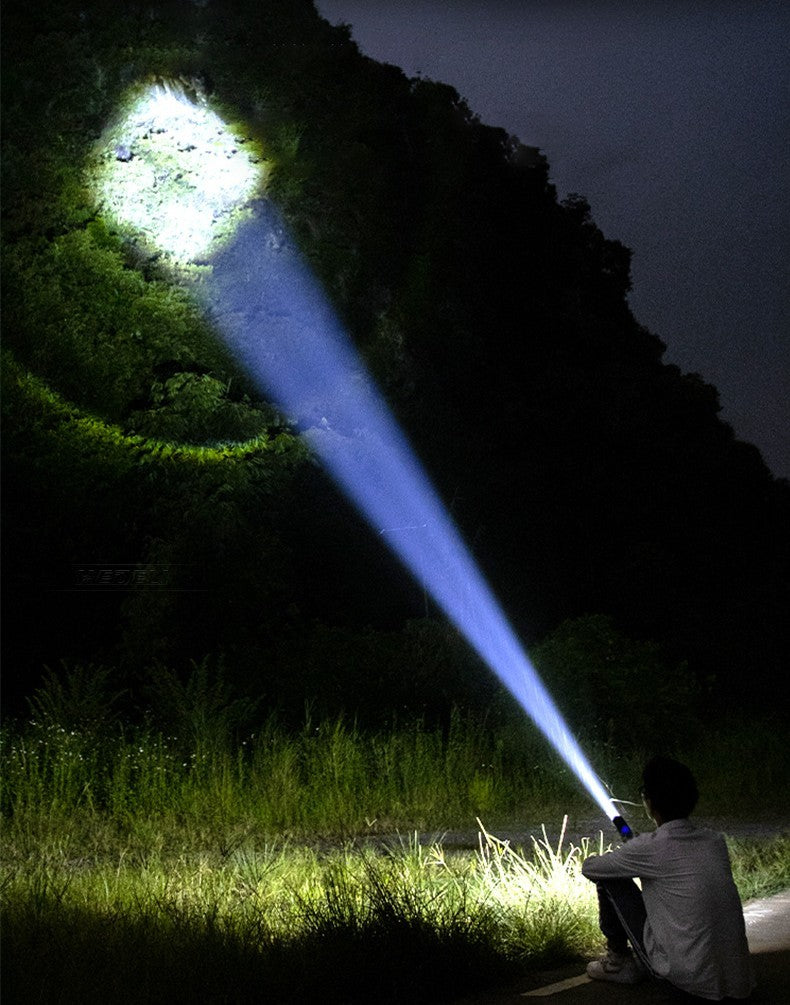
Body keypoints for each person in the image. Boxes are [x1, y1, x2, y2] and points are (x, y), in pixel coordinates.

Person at [581, 756, 754, 1001]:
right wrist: (639, 851)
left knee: (610, 879)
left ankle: (619, 962)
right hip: (739, 985)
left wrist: (633, 852)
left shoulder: (649, 848)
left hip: (686, 984)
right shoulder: (715, 841)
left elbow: (590, 868)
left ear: (649, 801)